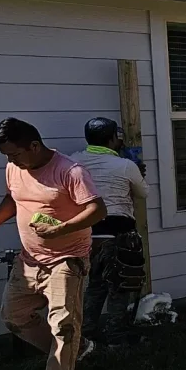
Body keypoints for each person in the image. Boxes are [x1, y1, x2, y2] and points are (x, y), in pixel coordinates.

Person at [0, 118, 106, 370]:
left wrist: (62, 229)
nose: (11, 161)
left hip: (67, 258)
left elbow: (98, 209)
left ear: (34, 146)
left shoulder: (70, 171)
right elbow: (14, 197)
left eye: (15, 154)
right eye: (8, 156)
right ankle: (76, 351)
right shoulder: (15, 168)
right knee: (13, 316)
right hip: (30, 259)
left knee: (63, 322)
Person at [70, 117, 149, 345]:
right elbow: (144, 193)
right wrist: (137, 172)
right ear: (112, 138)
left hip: (86, 235)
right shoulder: (125, 165)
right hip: (118, 234)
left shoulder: (74, 162)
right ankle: (117, 336)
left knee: (95, 285)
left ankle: (86, 334)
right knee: (120, 285)